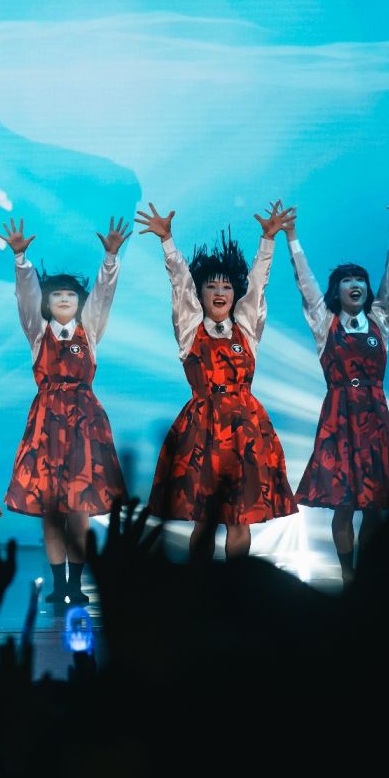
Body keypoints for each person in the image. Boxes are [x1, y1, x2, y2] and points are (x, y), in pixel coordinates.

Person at [136, 201, 296, 561]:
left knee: (240, 520)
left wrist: (268, 241)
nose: (220, 292)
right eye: (211, 286)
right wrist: (167, 241)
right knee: (204, 521)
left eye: (226, 286)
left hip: (245, 430)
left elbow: (258, 285)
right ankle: (200, 585)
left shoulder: (246, 329)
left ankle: (235, 586)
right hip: (202, 431)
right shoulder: (190, 329)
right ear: (202, 294)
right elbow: (180, 284)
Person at [286, 195, 389, 584]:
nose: (356, 284)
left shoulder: (380, 320)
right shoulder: (324, 323)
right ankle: (347, 574)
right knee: (343, 504)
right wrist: (291, 236)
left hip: (374, 419)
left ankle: (369, 576)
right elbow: (306, 283)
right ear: (337, 290)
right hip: (339, 419)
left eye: (360, 279)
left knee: (375, 505)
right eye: (347, 280)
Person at [1, 215, 129, 605]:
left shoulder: (89, 332)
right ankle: (60, 585)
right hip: (46, 424)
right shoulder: (37, 332)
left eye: (70, 295)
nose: (63, 299)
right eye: (56, 294)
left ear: (79, 303)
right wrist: (21, 260)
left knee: (80, 508)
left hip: (84, 425)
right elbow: (25, 296)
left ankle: (76, 584)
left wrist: (110, 258)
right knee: (51, 510)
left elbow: (104, 294)